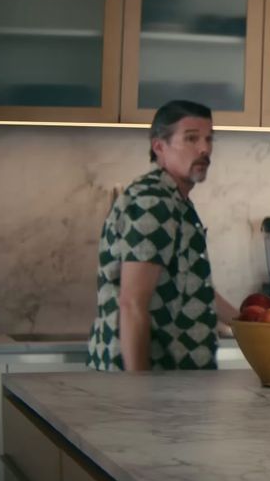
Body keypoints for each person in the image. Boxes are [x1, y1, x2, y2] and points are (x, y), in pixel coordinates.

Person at [87, 100, 238, 371]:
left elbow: (191, 287)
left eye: (208, 139)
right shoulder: (153, 202)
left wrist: (248, 321)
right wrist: (139, 389)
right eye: (191, 138)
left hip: (171, 382)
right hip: (153, 378)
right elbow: (132, 302)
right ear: (159, 147)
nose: (204, 149)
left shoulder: (173, 201)